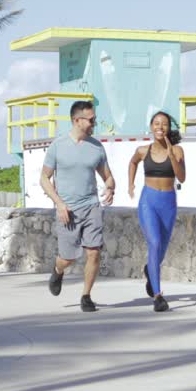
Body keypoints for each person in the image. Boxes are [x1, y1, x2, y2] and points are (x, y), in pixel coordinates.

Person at [42, 100, 115, 313]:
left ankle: (86, 296)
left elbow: (108, 177)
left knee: (93, 252)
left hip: (91, 206)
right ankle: (58, 270)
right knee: (69, 257)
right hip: (68, 210)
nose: (94, 123)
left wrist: (110, 188)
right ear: (77, 120)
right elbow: (44, 178)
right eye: (91, 120)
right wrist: (59, 204)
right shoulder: (58, 146)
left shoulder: (97, 147)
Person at [127, 111, 185, 313]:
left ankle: (149, 271)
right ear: (151, 127)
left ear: (169, 128)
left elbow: (182, 177)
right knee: (155, 242)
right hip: (148, 202)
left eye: (165, 124)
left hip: (168, 202)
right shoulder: (143, 150)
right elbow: (133, 162)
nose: (160, 127)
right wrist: (130, 184)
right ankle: (158, 296)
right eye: (157, 123)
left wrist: (171, 155)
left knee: (161, 251)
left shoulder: (177, 151)